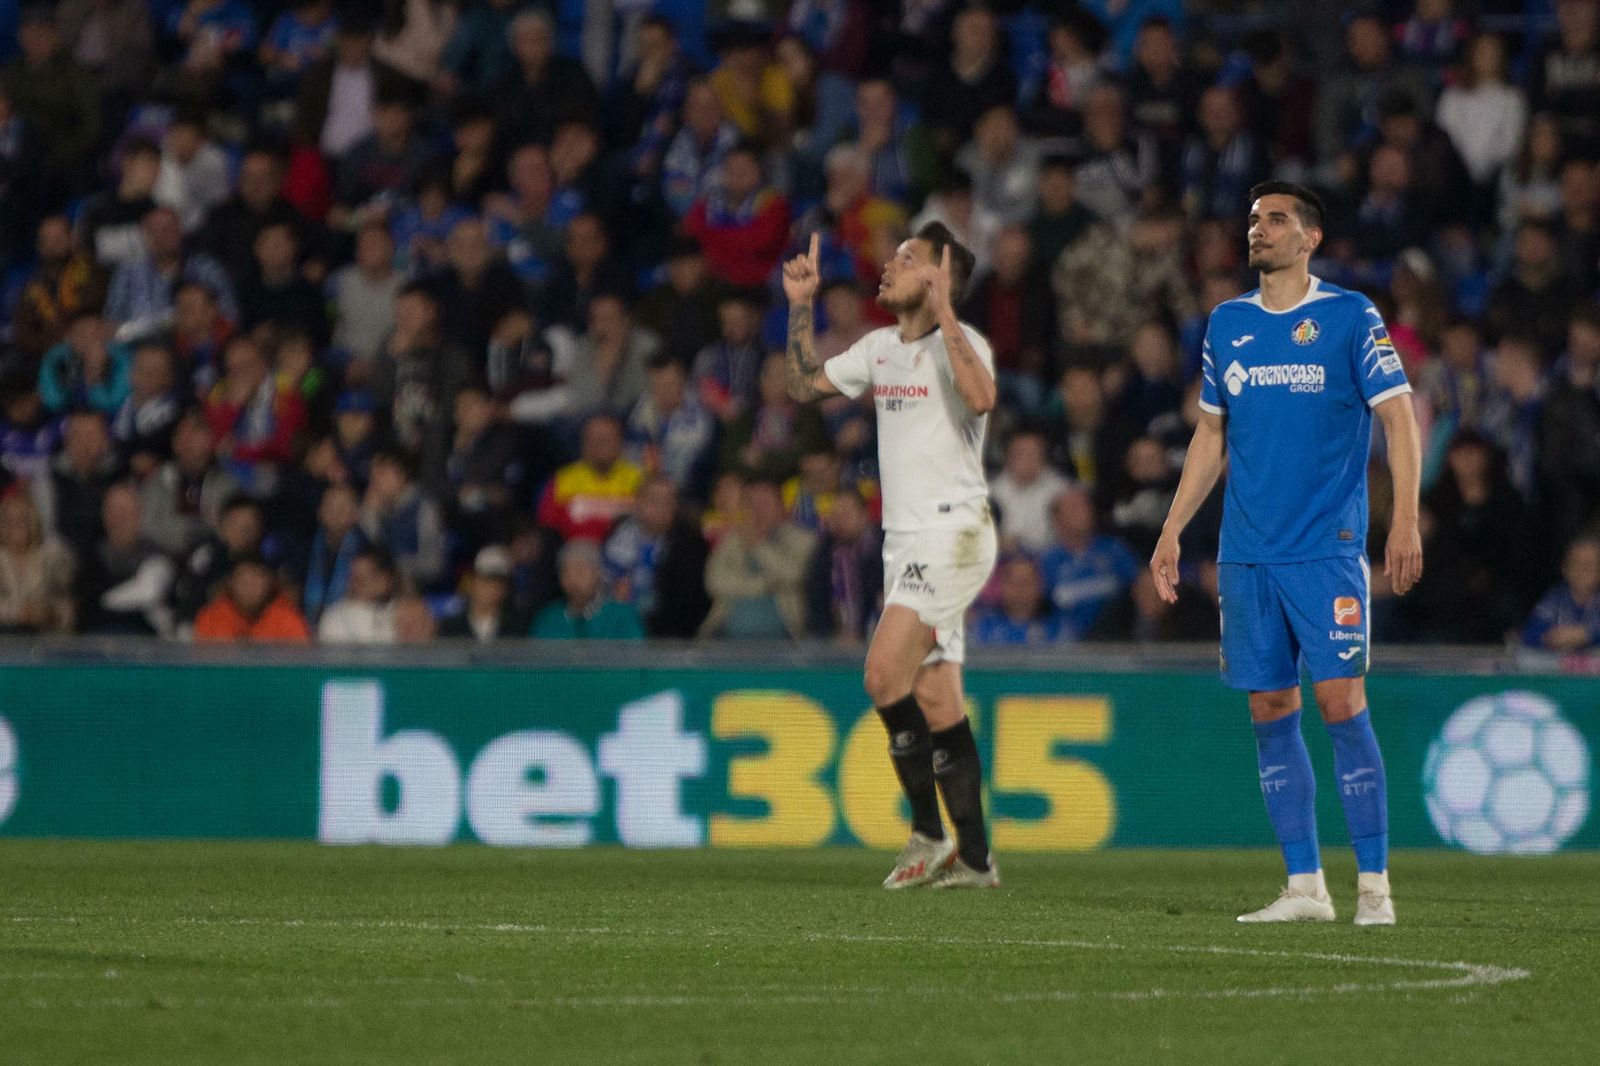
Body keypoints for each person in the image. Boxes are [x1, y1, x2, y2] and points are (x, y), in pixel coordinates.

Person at [1151, 182, 1423, 926]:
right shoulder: (1227, 323)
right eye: (1252, 219)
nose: (1258, 229)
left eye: (1275, 220)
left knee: (1341, 702)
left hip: (1327, 550)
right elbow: (1212, 435)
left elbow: (1398, 417)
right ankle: (1304, 887)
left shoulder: (1348, 317)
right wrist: (1174, 528)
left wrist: (1404, 520)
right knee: (1271, 706)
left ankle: (1374, 887)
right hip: (1247, 554)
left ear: (1309, 238)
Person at [782, 222, 1000, 889]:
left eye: (908, 260)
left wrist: (947, 314)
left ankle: (928, 834)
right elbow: (802, 387)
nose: (888, 265)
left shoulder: (965, 345)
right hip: (907, 543)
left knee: (882, 676)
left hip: (954, 535)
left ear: (940, 276)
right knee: (936, 699)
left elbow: (983, 397)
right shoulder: (878, 349)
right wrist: (801, 304)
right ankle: (975, 857)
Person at [532, 538, 644, 640]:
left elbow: (636, 655)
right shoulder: (548, 617)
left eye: (580, 571)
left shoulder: (621, 615)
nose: (573, 579)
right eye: (566, 572)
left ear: (598, 573)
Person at [193, 554, 312, 644]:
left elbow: (298, 665)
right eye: (244, 582)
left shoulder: (287, 618)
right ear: (231, 583)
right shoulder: (211, 618)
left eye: (256, 582)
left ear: (269, 583)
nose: (250, 589)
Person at [1522, 538, 1600, 653]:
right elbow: (1529, 635)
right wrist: (1552, 638)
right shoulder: (1554, 600)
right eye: (1575, 564)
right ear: (1565, 569)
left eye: (1589, 566)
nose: (1581, 572)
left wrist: (1587, 635)